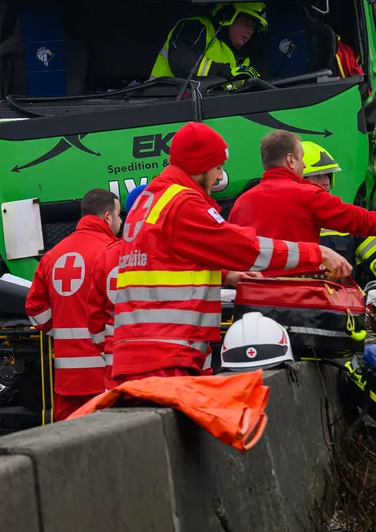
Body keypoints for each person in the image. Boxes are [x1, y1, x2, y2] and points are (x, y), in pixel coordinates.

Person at [99, 122, 352, 383]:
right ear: (200, 166)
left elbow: (168, 261)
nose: (220, 177)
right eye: (218, 168)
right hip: (167, 351)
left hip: (144, 347)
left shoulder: (151, 199)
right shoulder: (183, 202)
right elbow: (246, 249)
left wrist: (226, 274)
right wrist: (316, 253)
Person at [229, 129, 376, 243]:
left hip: (253, 303)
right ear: (290, 160)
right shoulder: (309, 196)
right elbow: (361, 221)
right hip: (298, 300)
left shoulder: (241, 204)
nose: (304, 165)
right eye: (301, 159)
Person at [26, 189, 122, 421]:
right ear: (107, 217)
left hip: (67, 382)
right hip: (106, 377)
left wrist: (60, 328)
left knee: (68, 447)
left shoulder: (52, 256)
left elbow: (35, 310)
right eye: (119, 215)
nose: (121, 221)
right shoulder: (113, 254)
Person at [301, 141, 376, 286]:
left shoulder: (344, 217)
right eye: (317, 176)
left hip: (342, 302)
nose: (325, 182)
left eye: (327, 175)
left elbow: (374, 253)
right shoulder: (281, 219)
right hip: (297, 302)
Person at [151, 2, 267, 88]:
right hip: (162, 104)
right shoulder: (195, 27)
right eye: (249, 23)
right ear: (229, 14)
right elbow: (182, 62)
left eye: (255, 27)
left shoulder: (245, 59)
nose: (250, 30)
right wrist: (227, 72)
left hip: (214, 114)